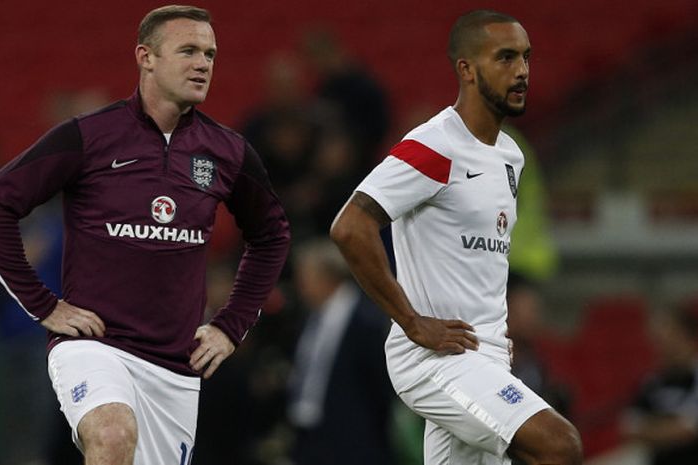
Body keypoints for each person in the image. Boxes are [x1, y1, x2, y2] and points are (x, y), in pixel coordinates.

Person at [0, 5, 290, 465]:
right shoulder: (89, 137)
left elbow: (272, 234)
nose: (203, 64)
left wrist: (231, 325)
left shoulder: (228, 152)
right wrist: (43, 304)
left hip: (175, 367)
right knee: (112, 435)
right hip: (95, 346)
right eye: (189, 50)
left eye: (210, 54)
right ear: (145, 57)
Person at [330, 9, 582, 465]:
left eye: (526, 57)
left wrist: (493, 332)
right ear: (466, 69)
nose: (522, 71)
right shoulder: (435, 146)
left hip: (485, 356)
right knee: (559, 445)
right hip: (434, 360)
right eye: (505, 58)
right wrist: (411, 322)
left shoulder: (509, 155)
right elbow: (350, 227)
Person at [287, 238, 395, 465]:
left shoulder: (367, 320)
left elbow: (382, 386)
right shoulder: (312, 317)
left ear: (328, 278)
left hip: (354, 443)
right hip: (310, 438)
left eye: (306, 278)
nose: (301, 286)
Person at [622, 301, 698, 464]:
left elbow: (688, 429)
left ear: (688, 338)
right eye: (659, 339)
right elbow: (630, 427)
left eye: (671, 336)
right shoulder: (652, 382)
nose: (663, 345)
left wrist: (652, 430)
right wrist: (670, 429)